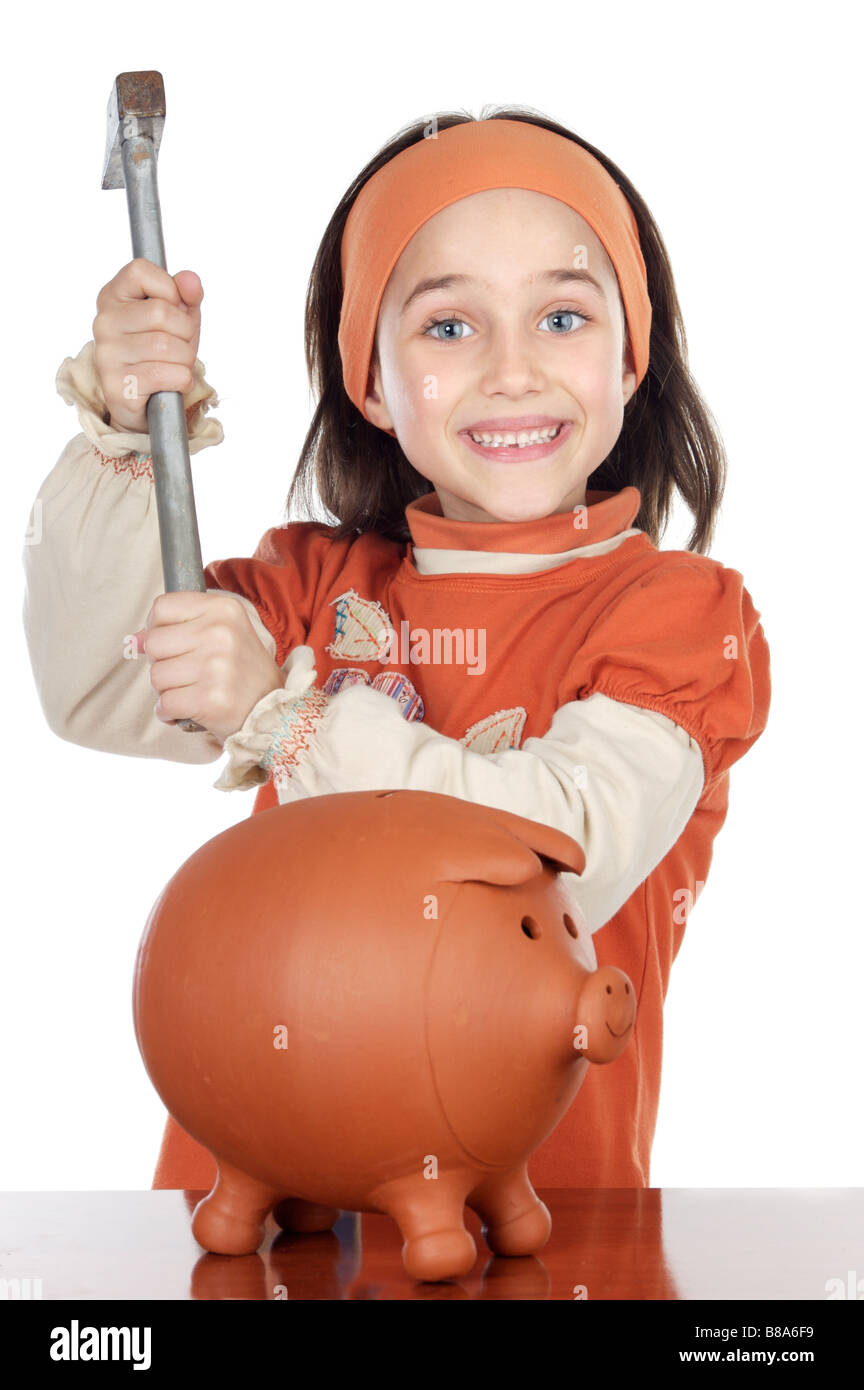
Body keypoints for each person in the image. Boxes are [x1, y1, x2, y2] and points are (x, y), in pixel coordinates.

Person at [23, 105, 771, 1196]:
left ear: (630, 358)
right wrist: (130, 428)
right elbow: (96, 683)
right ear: (370, 381)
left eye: (563, 317)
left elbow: (559, 855)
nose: (512, 370)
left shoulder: (682, 618)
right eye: (449, 327)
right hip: (264, 1220)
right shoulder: (311, 590)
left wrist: (290, 720)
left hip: (538, 1233)